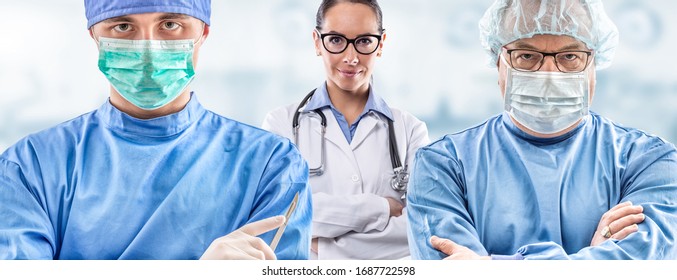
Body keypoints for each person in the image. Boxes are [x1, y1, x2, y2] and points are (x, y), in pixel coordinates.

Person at [0, 0, 312, 260]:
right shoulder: (31, 167)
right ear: (94, 35)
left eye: (170, 25)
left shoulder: (270, 165)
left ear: (202, 33)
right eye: (123, 27)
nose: (148, 50)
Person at [407, 0, 677, 260]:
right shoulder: (441, 166)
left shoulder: (650, 161)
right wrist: (594, 260)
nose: (549, 74)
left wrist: (497, 265)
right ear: (497, 61)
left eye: (570, 56)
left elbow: (645, 264)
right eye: (526, 56)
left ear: (594, 61)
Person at [262, 0, 429, 259]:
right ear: (317, 42)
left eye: (364, 41)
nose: (351, 58)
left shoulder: (410, 130)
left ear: (381, 44)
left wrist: (325, 245)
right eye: (336, 40)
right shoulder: (281, 124)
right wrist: (381, 208)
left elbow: (419, 227)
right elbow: (279, 215)